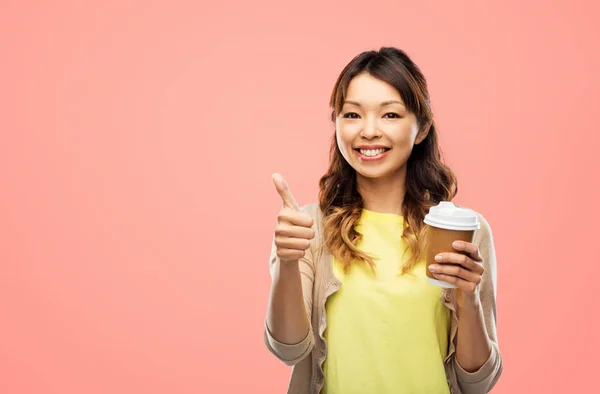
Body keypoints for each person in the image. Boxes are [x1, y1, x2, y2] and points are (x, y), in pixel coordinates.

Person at [264, 47, 502, 394]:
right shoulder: (306, 227)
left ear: (421, 129)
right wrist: (287, 262)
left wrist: (468, 298)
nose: (369, 131)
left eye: (390, 115)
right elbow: (288, 348)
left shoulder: (465, 231)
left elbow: (478, 381)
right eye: (352, 115)